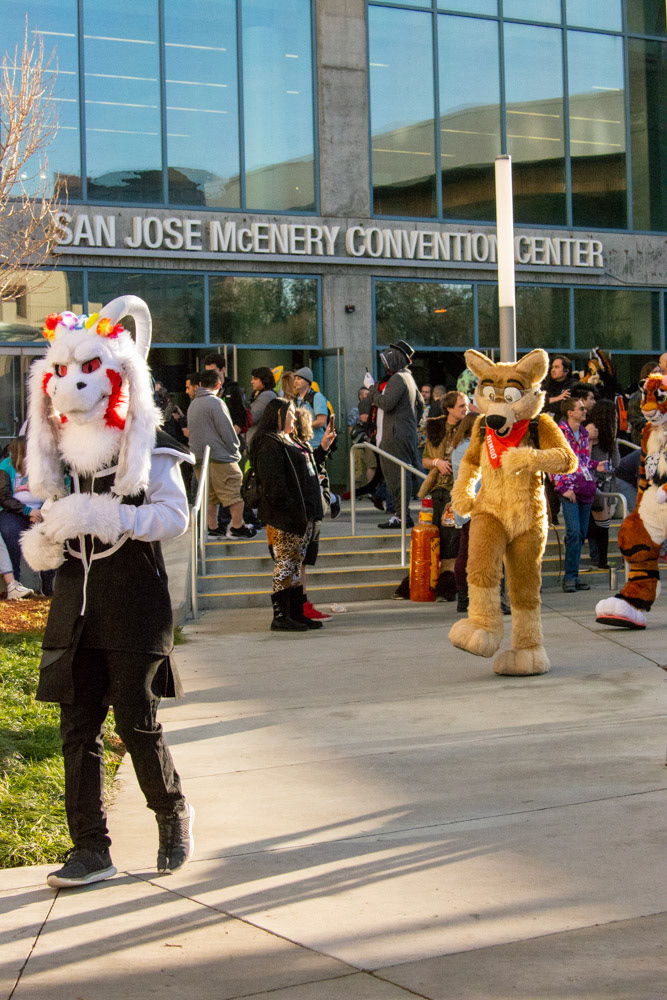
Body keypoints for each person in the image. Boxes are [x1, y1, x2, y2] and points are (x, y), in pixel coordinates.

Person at [20, 298, 195, 889]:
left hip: (133, 599)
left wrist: (108, 516)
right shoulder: (62, 448)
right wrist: (47, 532)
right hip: (75, 600)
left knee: (136, 719)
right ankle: (90, 848)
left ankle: (171, 812)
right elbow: (51, 511)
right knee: (77, 727)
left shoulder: (150, 444)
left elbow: (175, 517)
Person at [249, 397, 321, 633]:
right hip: (285, 516)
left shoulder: (288, 440)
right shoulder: (269, 443)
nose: (294, 417)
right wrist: (291, 507)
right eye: (289, 413)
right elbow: (274, 485)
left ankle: (296, 613)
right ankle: (281, 616)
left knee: (295, 563)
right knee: (286, 563)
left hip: (301, 513)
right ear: (277, 415)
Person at [186, 369, 256, 539]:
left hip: (199, 457)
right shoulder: (216, 403)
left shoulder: (193, 404)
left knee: (210, 495)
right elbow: (226, 430)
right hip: (219, 457)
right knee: (235, 491)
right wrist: (235, 449)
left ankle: (213, 528)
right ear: (218, 385)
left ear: (200, 384)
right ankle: (237, 527)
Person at [365, 340, 424, 530]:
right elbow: (421, 405)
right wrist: (410, 424)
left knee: (396, 477)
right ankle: (401, 515)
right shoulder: (408, 378)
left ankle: (401, 516)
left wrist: (371, 390)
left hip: (394, 436)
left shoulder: (398, 379)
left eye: (387, 360)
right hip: (401, 434)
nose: (385, 364)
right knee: (400, 476)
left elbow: (386, 403)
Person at [418, 392, 468, 600]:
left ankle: (449, 584)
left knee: (452, 540)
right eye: (461, 406)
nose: (465, 409)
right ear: (449, 408)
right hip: (437, 489)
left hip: (457, 490)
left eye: (466, 405)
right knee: (435, 537)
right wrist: (437, 462)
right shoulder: (436, 428)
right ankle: (434, 582)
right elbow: (424, 459)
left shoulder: (469, 429)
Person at [552, 397, 605, 592]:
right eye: (580, 408)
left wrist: (596, 465)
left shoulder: (583, 433)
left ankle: (573, 575)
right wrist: (562, 487)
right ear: (570, 412)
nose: (584, 411)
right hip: (568, 489)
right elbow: (553, 462)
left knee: (580, 533)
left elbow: (582, 459)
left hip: (584, 487)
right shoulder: (559, 433)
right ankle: (569, 578)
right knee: (574, 532)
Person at [289, 407, 338, 622]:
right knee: (299, 562)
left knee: (302, 561)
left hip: (311, 509)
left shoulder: (303, 448)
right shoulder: (293, 449)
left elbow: (314, 465)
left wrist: (324, 445)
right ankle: (299, 604)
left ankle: (301, 603)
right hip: (303, 511)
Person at [0, 436, 51, 596]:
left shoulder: (44, 465)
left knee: (49, 537)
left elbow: (53, 490)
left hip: (42, 511)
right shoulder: (6, 466)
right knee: (10, 534)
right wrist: (28, 511)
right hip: (14, 511)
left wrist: (41, 511)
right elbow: (4, 497)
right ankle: (15, 584)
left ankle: (48, 585)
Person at [585, 399, 621, 570]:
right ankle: (600, 559)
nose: (616, 417)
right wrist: (589, 440)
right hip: (594, 482)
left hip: (604, 483)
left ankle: (600, 559)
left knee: (602, 522)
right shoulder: (592, 431)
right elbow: (585, 458)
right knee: (600, 523)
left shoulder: (608, 436)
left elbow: (617, 461)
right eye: (614, 414)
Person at [202, 353, 247, 435]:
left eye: (213, 371)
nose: (210, 375)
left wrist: (231, 436)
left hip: (228, 435)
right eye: (207, 372)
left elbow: (241, 417)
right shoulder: (203, 390)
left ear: (223, 369)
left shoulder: (232, 389)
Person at [293, 366, 328, 448]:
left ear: (307, 382)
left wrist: (302, 426)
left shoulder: (317, 397)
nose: (295, 381)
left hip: (316, 445)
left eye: (299, 379)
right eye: (295, 379)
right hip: (300, 445)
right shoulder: (295, 400)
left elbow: (321, 422)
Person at [245, 367, 277, 446]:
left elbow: (252, 417)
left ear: (264, 379)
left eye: (255, 379)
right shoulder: (262, 394)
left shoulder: (267, 395)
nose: (252, 382)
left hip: (260, 442)